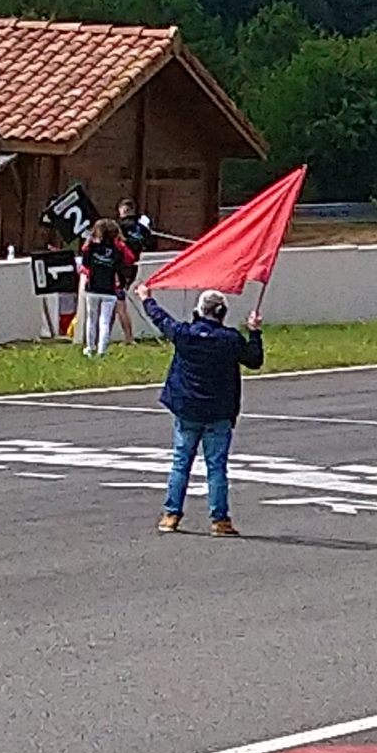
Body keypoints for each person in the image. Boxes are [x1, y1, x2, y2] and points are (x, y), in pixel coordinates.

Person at [132, 283, 264, 536]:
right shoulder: (230, 340)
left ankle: (171, 515)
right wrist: (254, 332)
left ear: (199, 311)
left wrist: (147, 298)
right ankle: (220, 520)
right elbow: (254, 360)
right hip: (218, 412)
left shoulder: (185, 334)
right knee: (216, 467)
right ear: (222, 313)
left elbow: (161, 319)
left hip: (188, 409)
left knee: (181, 462)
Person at [74, 219, 129, 357]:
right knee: (104, 320)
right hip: (109, 290)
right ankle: (102, 350)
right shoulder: (117, 251)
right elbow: (121, 270)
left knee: (91, 319)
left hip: (92, 288)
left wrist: (88, 243)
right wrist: (121, 285)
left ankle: (90, 347)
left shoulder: (91, 248)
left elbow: (85, 265)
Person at [111, 198, 154, 343]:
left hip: (118, 267)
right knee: (114, 302)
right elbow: (151, 244)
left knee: (119, 303)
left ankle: (129, 337)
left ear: (123, 210)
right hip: (133, 267)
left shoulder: (118, 226)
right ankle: (104, 335)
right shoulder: (141, 227)